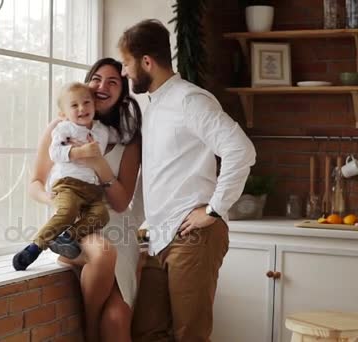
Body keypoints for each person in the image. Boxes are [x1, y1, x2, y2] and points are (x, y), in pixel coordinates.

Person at [119, 20, 256, 342]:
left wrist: (213, 210)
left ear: (147, 62)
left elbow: (241, 150)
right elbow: (158, 174)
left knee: (189, 334)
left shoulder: (190, 100)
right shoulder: (153, 107)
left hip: (193, 235)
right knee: (146, 331)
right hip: (158, 237)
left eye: (126, 64)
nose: (125, 73)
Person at [28, 58, 143, 342]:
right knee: (102, 254)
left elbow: (119, 203)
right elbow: (35, 182)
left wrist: (97, 162)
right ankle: (89, 331)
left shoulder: (129, 140)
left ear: (122, 92)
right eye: (97, 79)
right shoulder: (61, 127)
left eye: (113, 82)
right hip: (76, 225)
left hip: (116, 228)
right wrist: (52, 200)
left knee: (117, 319)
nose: (102, 86)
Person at [13, 83, 117, 271]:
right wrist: (80, 152)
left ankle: (68, 237)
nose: (82, 108)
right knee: (67, 212)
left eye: (86, 103)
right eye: (74, 106)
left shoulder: (102, 130)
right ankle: (34, 247)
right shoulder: (64, 128)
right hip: (68, 184)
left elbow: (123, 136)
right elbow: (54, 153)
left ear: (94, 104)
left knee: (102, 215)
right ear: (63, 113)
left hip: (92, 189)